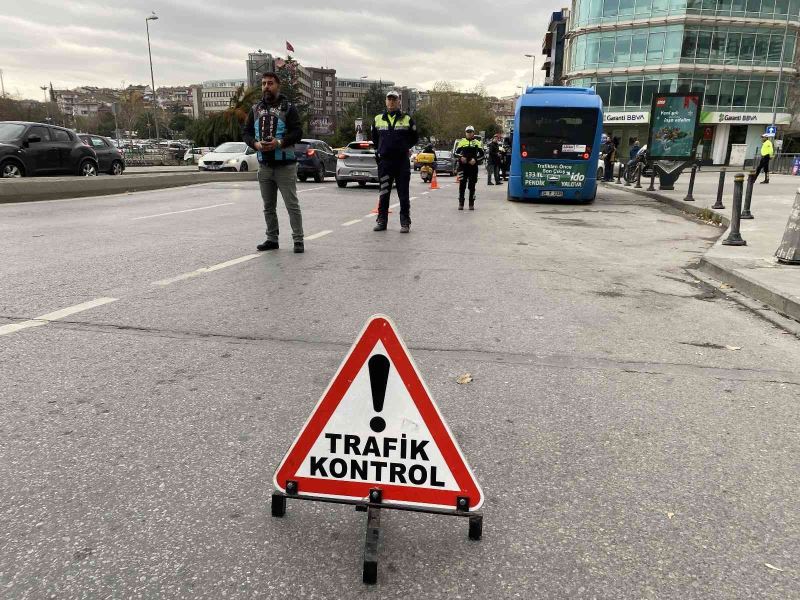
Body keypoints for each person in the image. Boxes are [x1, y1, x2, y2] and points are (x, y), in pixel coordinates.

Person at [242, 71, 304, 253]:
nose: (266, 87)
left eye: (270, 83)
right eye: (263, 83)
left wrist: (279, 142)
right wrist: (255, 144)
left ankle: (298, 240)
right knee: (268, 206)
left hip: (285, 165)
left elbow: (298, 132)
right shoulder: (255, 109)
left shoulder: (289, 108)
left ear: (278, 86)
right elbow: (245, 132)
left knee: (292, 205)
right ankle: (272, 238)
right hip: (264, 166)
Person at [372, 90, 418, 233]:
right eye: (389, 99)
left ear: (399, 102)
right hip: (385, 162)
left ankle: (405, 223)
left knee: (403, 193)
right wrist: (382, 149)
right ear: (386, 101)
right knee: (384, 192)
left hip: (401, 163)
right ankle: (381, 221)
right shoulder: (378, 119)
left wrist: (403, 148)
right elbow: (375, 138)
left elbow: (414, 138)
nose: (391, 102)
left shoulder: (407, 119)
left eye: (394, 99)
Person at [454, 126, 485, 209]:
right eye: (467, 132)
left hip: (473, 167)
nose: (469, 133)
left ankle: (471, 203)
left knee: (472, 186)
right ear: (465, 133)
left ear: (473, 133)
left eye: (471, 132)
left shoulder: (477, 142)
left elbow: (482, 155)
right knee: (462, 185)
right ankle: (461, 203)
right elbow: (455, 153)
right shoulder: (461, 142)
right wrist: (461, 157)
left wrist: (476, 160)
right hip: (462, 167)